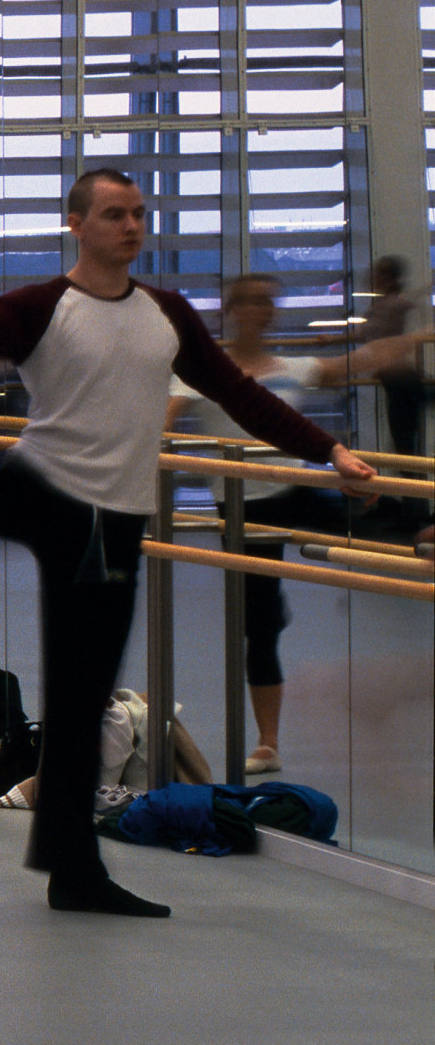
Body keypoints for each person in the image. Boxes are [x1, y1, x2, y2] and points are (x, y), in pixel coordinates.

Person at [0, 168, 376, 917]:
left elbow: (241, 395)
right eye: (115, 213)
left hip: (115, 520)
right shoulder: (43, 306)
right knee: (74, 678)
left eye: (139, 213)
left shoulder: (165, 312)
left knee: (82, 693)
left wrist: (328, 451)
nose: (131, 225)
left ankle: (70, 868)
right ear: (76, 223)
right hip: (54, 495)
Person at [167, 271, 347, 774]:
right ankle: (269, 743)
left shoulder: (293, 366)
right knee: (261, 626)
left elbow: (364, 361)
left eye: (267, 302)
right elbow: (165, 417)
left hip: (296, 491)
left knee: (373, 525)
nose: (258, 311)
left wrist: (416, 337)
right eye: (247, 302)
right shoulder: (202, 370)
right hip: (245, 508)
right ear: (230, 309)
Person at [357, 256, 430, 458]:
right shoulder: (386, 304)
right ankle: (412, 485)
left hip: (400, 381)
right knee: (403, 444)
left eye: (379, 274)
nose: (373, 277)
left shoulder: (389, 305)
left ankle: (412, 486)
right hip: (399, 380)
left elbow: (366, 332)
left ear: (389, 279)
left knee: (403, 445)